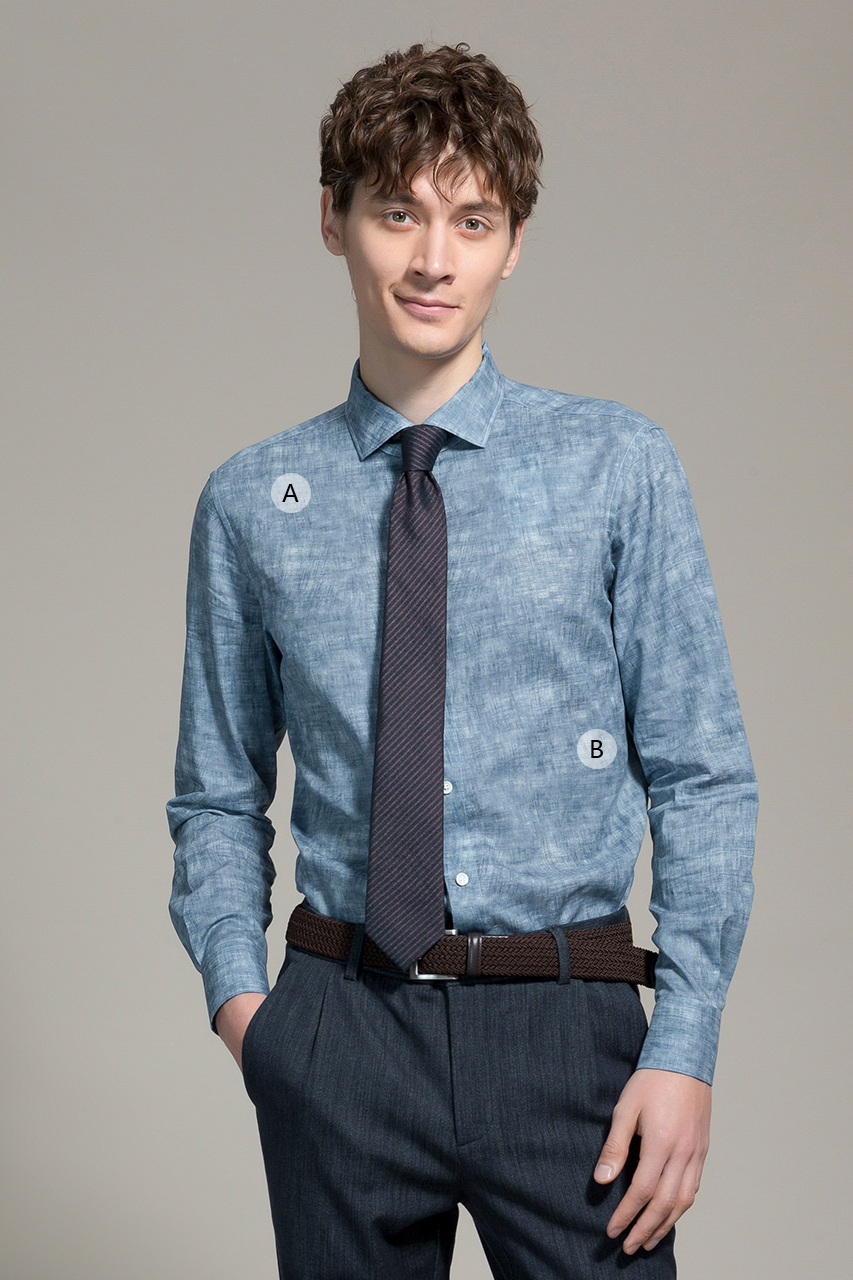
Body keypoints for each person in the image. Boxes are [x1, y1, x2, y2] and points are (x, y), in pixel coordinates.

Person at [167, 42, 757, 1280]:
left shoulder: (617, 468)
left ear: (513, 242)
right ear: (332, 220)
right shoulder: (249, 501)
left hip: (568, 1028)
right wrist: (248, 1013)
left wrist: (684, 1041)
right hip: (341, 1025)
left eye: (471, 220)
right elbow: (216, 794)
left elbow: (702, 773)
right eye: (398, 213)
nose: (433, 258)